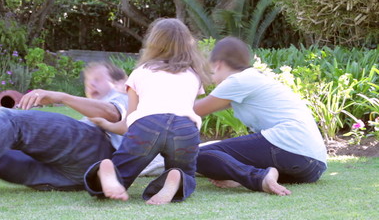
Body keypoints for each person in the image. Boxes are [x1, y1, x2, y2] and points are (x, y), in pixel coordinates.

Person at [83, 18, 211, 205]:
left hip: (146, 125)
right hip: (185, 128)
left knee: (121, 174)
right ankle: (176, 176)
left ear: (153, 43)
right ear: (187, 44)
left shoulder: (140, 72)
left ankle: (107, 171)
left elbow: (129, 121)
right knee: (186, 172)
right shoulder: (193, 75)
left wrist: (107, 125)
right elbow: (184, 108)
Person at [0, 61, 128, 192]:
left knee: (10, 120)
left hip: (96, 150)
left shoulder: (121, 95)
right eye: (88, 81)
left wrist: (61, 97)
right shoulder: (92, 108)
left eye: (98, 79)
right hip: (79, 177)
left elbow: (111, 114)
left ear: (119, 82)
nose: (91, 84)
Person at [194, 37, 328, 196]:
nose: (212, 79)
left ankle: (258, 177)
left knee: (195, 155)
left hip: (290, 147)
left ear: (218, 65)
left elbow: (192, 110)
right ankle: (246, 177)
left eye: (211, 72)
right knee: (216, 155)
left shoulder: (237, 81)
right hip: (313, 167)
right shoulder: (254, 78)